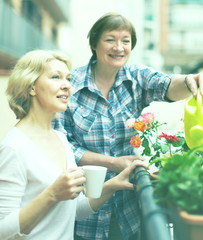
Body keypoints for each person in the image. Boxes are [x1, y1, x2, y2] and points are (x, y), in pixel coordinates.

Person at [52, 12, 203, 240]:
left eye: (125, 41)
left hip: (126, 208)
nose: (118, 47)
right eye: (110, 39)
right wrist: (113, 163)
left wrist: (191, 81)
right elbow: (61, 145)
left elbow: (166, 85)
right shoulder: (71, 86)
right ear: (95, 44)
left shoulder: (136, 76)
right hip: (84, 208)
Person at [0, 49, 146, 240]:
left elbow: (74, 210)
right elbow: (3, 231)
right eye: (55, 77)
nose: (67, 86)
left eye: (68, 78)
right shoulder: (14, 147)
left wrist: (113, 185)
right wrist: (52, 194)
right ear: (31, 87)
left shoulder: (61, 138)